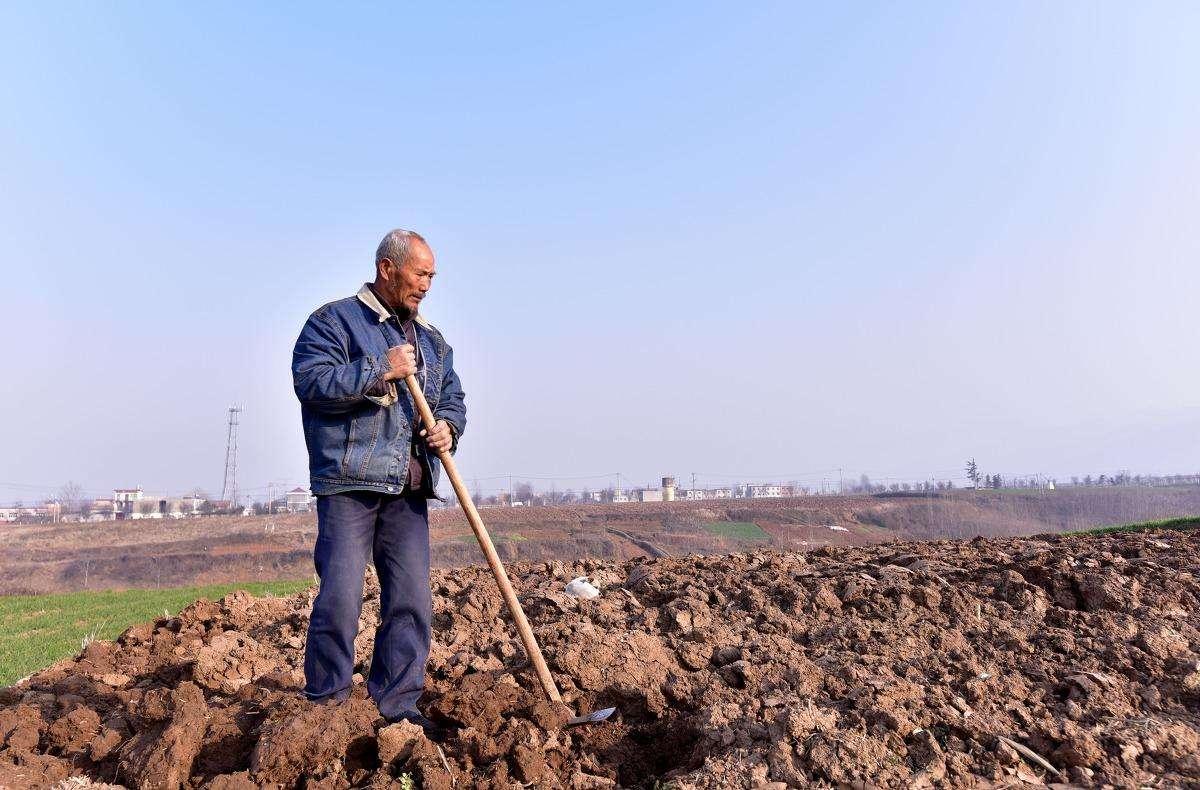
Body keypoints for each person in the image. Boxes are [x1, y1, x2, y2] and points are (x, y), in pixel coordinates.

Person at [291, 229, 466, 739]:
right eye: (420, 273)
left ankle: (398, 705)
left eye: (432, 276)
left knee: (411, 600)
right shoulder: (333, 321)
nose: (427, 285)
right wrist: (379, 368)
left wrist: (448, 427)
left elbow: (452, 397)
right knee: (341, 596)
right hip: (349, 484)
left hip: (409, 489)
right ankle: (327, 703)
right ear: (387, 269)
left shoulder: (432, 342)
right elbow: (311, 382)